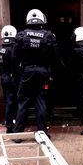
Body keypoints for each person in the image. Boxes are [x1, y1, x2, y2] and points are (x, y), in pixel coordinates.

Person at [12, 9, 59, 137]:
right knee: (41, 100)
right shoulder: (49, 35)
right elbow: (56, 57)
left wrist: (19, 72)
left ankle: (17, 135)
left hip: (27, 71)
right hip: (42, 72)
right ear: (41, 20)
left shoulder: (21, 35)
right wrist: (49, 71)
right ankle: (42, 133)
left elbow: (14, 57)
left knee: (23, 102)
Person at [0, 24, 18, 133]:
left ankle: (9, 124)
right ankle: (10, 125)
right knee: (12, 102)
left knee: (8, 101)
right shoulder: (13, 49)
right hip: (12, 78)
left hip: (3, 77)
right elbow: (16, 65)